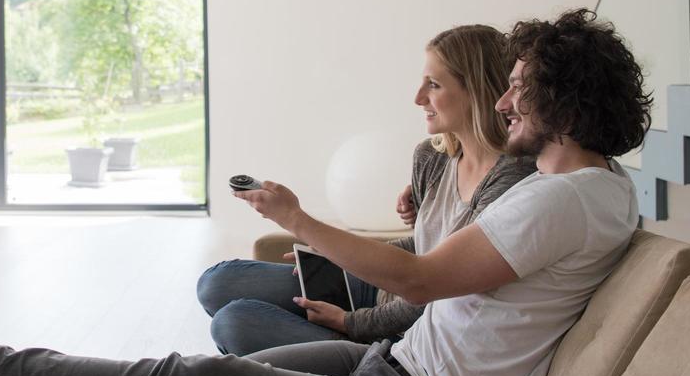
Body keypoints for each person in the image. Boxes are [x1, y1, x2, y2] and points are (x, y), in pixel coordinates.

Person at [0, 9, 650, 376]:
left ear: (563, 100)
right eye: (504, 83)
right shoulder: (592, 191)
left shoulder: (563, 198)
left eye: (520, 84)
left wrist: (297, 217)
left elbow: (416, 277)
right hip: (402, 372)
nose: (506, 98)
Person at [196, 24, 535, 355]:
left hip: (404, 331)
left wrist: (351, 322)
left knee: (233, 323)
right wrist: (340, 255)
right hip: (380, 289)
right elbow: (421, 247)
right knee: (217, 282)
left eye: (433, 85)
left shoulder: (510, 181)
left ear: (476, 91)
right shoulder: (432, 157)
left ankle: (342, 357)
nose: (418, 98)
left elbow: (434, 287)